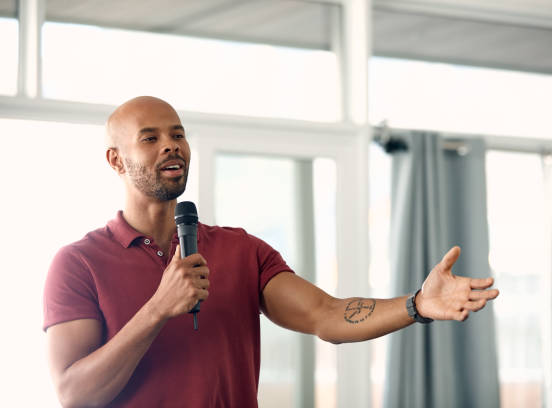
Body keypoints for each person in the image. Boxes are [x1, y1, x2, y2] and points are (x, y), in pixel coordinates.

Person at [43, 96, 499, 407]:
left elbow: (326, 314)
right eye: (150, 137)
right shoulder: (78, 264)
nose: (171, 145)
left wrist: (416, 305)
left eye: (178, 134)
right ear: (116, 160)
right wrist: (158, 309)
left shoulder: (242, 250)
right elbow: (75, 393)